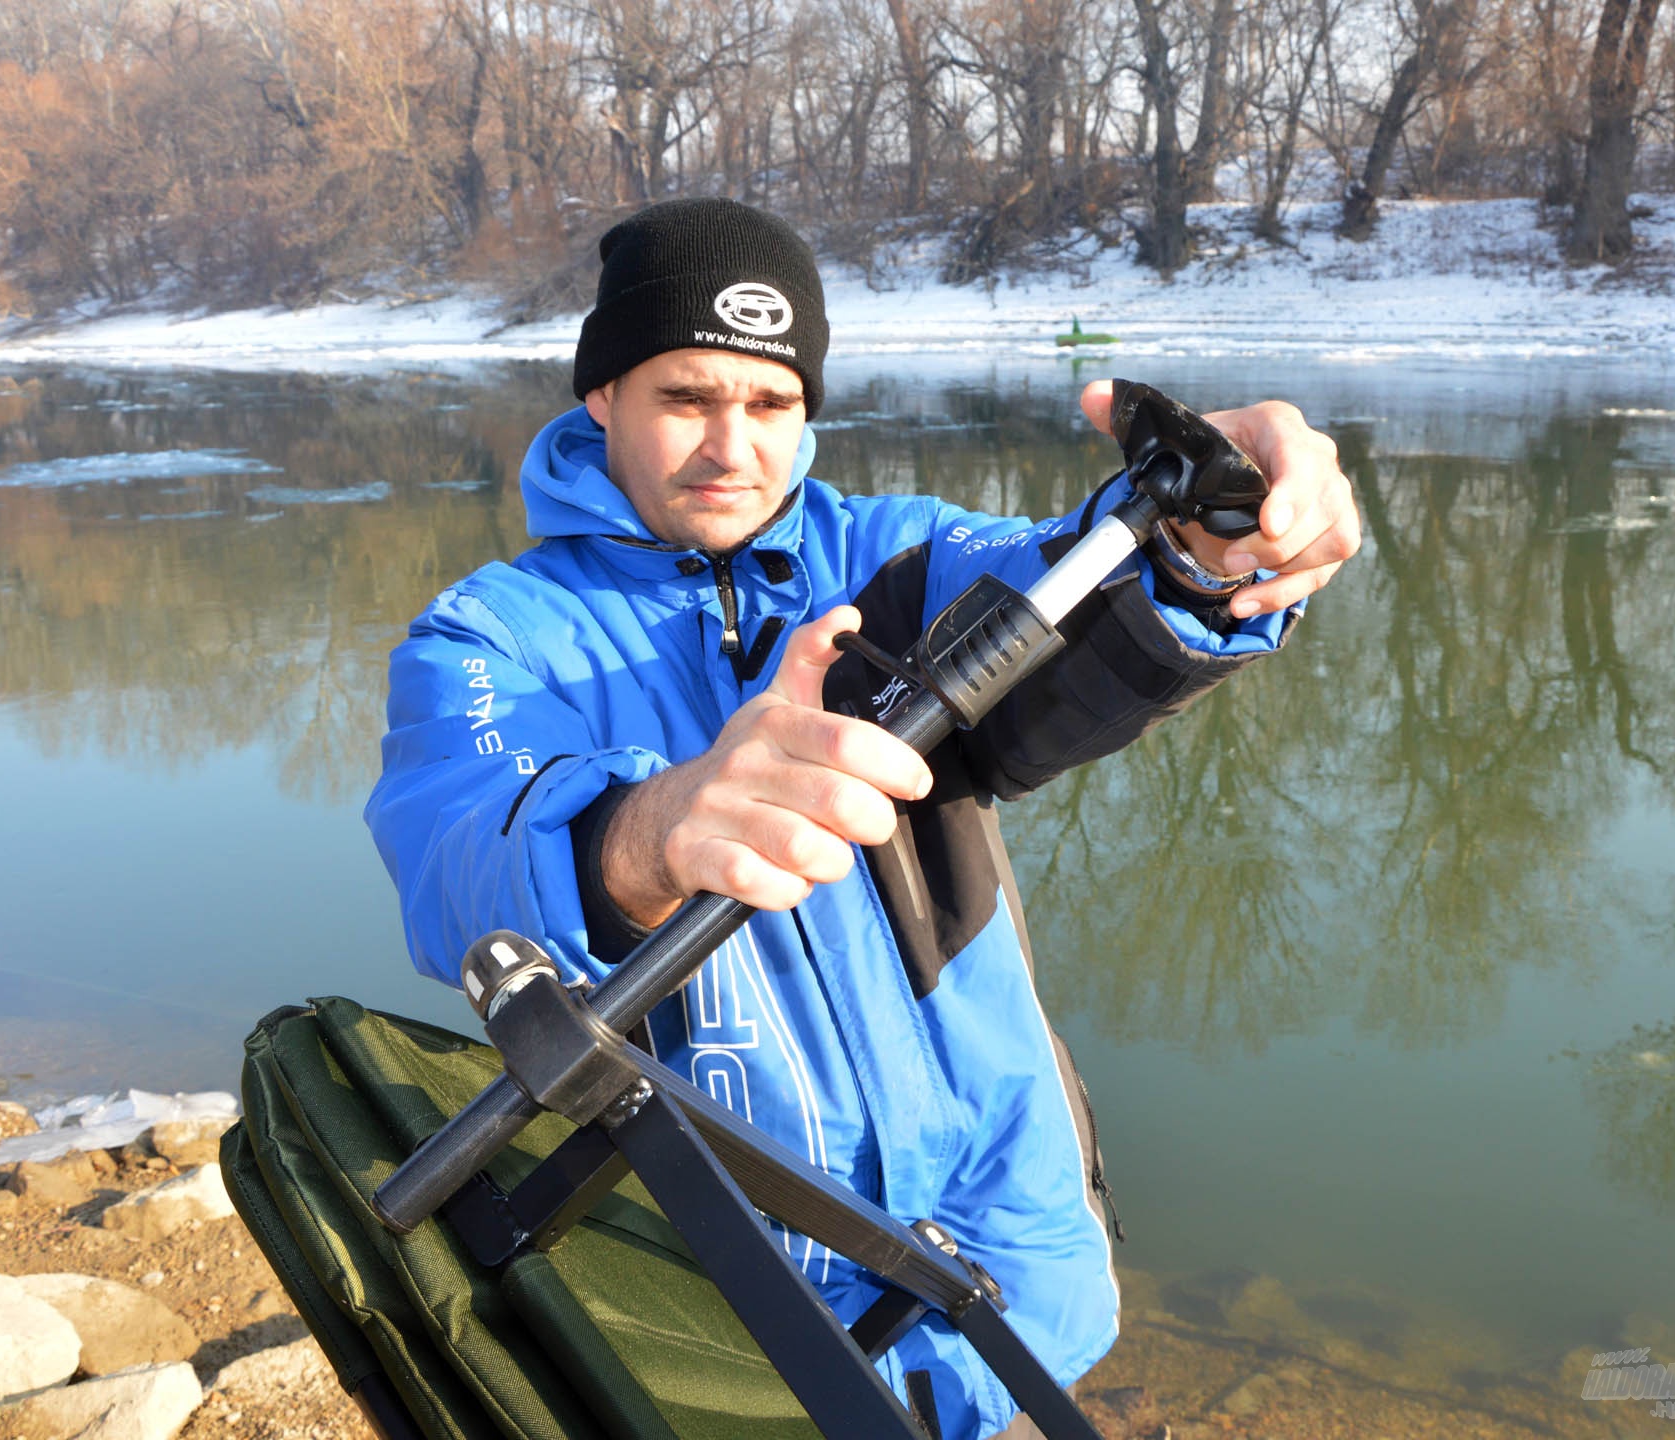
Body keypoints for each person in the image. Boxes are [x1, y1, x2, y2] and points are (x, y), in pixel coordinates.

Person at [365, 196, 1359, 1440]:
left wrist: (1213, 544)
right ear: (601, 399)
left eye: (772, 404)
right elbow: (459, 857)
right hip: (716, 1275)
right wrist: (652, 830)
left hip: (999, 1244)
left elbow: (1065, 581)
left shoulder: (893, 563)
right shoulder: (486, 636)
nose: (734, 447)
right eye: (685, 397)